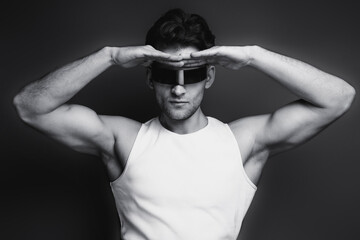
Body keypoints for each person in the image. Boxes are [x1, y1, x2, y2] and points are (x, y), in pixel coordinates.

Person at [13, 8, 355, 240]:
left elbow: (339, 97)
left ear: (209, 77)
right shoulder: (123, 139)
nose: (178, 88)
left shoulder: (242, 142)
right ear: (150, 78)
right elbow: (30, 107)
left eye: (190, 76)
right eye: (166, 75)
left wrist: (253, 55)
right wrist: (110, 56)